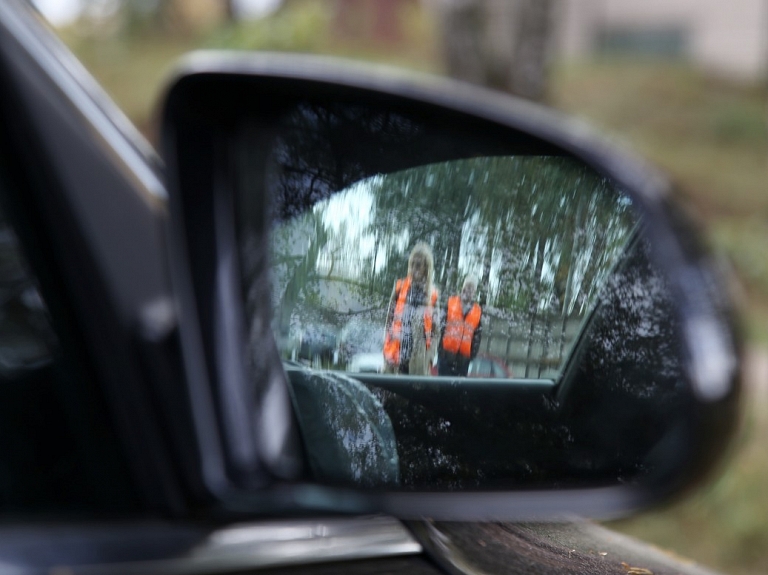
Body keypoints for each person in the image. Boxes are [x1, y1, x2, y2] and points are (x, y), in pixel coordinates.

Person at [383, 243, 439, 375]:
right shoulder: (399, 288)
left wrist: (429, 357)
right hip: (395, 357)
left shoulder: (433, 295)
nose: (414, 268)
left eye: (418, 265)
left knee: (414, 393)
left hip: (418, 361)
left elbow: (436, 332)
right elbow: (389, 322)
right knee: (391, 393)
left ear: (426, 268)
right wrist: (386, 349)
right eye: (412, 264)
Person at [437, 275, 482, 376]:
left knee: (458, 390)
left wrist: (471, 356)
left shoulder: (477, 311)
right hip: (445, 357)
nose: (469, 290)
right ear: (463, 287)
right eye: (467, 286)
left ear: (475, 292)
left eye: (472, 288)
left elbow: (477, 336)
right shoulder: (451, 303)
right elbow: (440, 326)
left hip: (463, 361)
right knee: (443, 388)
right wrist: (440, 350)